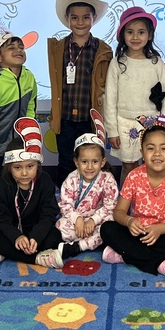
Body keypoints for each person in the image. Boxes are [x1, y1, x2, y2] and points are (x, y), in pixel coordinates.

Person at [99, 114, 165, 279]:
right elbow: (119, 212)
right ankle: (159, 264)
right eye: (150, 148)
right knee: (107, 229)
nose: (157, 153)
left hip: (164, 233)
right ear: (142, 153)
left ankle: (126, 254)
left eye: (164, 148)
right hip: (137, 233)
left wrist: (160, 229)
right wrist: (130, 221)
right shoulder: (134, 176)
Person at [48, 0, 113, 186]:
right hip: (66, 118)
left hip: (89, 119)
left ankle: (90, 204)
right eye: (74, 17)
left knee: (91, 163)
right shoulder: (57, 48)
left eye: (86, 17)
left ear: (94, 18)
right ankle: (66, 205)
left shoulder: (103, 49)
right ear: (67, 19)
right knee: (66, 162)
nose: (80, 22)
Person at [103, 6, 165, 184]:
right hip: (125, 123)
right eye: (130, 32)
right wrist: (112, 130)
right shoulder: (117, 64)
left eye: (141, 32)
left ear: (149, 35)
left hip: (153, 123)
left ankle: (150, 204)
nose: (135, 37)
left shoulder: (156, 62)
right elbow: (109, 100)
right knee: (129, 166)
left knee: (153, 165)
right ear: (122, 35)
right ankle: (126, 205)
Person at [0, 118, 65, 269]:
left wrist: (36, 237)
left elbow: (49, 214)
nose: (24, 173)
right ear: (9, 167)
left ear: (37, 164)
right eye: (17, 168)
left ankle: (5, 253)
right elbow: (0, 220)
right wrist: (16, 237)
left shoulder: (44, 181)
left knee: (56, 236)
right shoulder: (0, 186)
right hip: (10, 233)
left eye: (30, 166)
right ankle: (38, 258)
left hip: (36, 231)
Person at [0, 32, 37, 210]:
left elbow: (30, 108)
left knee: (18, 179)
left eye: (21, 47)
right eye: (11, 48)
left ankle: (17, 212)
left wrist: (27, 139)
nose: (18, 50)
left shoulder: (29, 77)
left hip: (19, 143)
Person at [56, 109, 119, 258]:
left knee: (110, 225)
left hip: (97, 221)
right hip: (76, 221)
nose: (89, 167)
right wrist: (77, 219)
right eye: (84, 162)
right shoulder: (71, 179)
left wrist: (93, 220)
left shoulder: (108, 179)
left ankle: (79, 246)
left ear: (102, 162)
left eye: (95, 162)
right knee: (59, 227)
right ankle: (89, 241)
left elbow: (110, 206)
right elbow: (65, 204)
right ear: (76, 162)